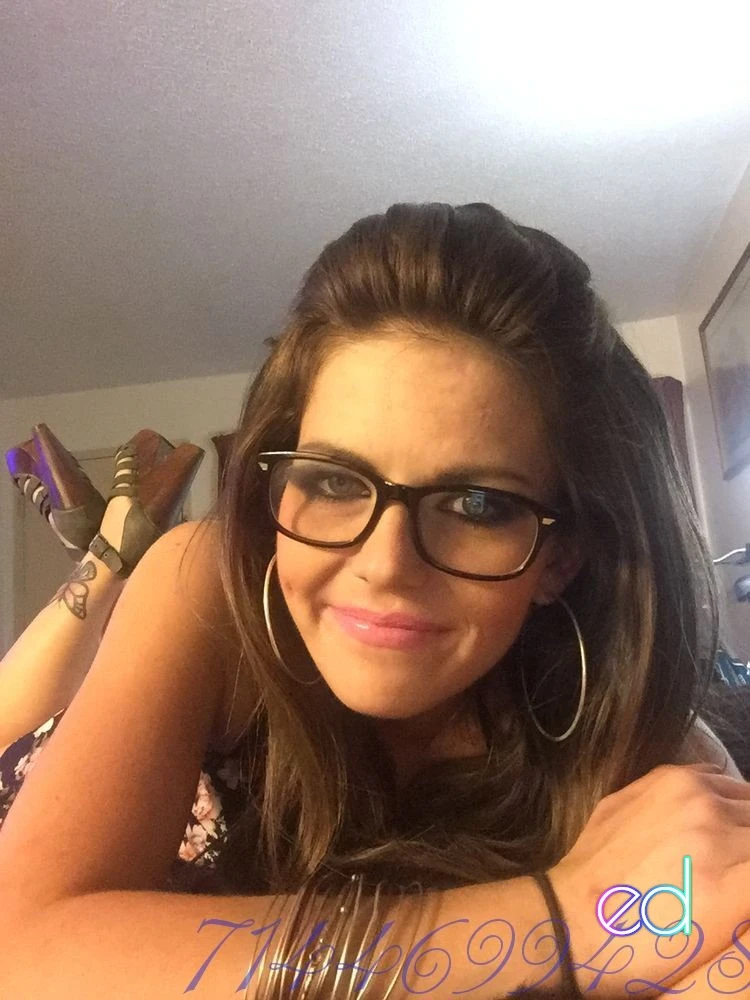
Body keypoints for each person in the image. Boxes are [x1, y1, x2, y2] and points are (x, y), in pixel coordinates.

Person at [1, 201, 750, 1000]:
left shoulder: (650, 746)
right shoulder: (211, 572)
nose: (385, 565)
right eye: (331, 481)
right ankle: (112, 556)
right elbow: (23, 951)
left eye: (476, 504)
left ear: (561, 558)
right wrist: (560, 919)